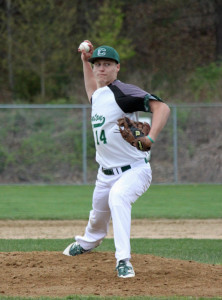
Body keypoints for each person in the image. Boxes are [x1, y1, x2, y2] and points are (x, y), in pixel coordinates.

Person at [63, 40, 170, 278]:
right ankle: (89, 241)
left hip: (134, 170)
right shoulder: (100, 95)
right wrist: (84, 62)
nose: (101, 68)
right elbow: (92, 90)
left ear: (117, 67)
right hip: (106, 172)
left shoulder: (124, 92)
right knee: (97, 214)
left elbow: (161, 107)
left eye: (107, 64)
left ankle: (123, 259)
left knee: (118, 197)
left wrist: (150, 138)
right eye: (97, 64)